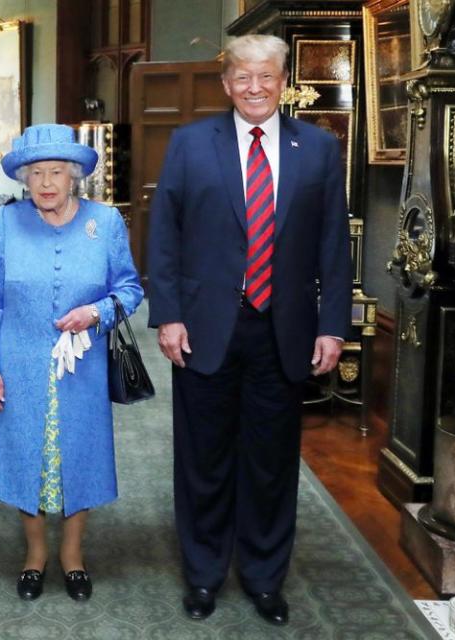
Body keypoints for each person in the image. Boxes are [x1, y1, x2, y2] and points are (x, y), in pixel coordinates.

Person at [147, 34, 352, 625]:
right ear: (226, 83)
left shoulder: (316, 148)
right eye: (242, 77)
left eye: (266, 76)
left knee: (270, 461)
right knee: (203, 459)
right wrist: (168, 316)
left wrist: (333, 326)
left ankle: (265, 577)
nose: (254, 87)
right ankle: (204, 574)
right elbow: (164, 237)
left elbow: (333, 244)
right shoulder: (189, 144)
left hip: (284, 331)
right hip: (205, 328)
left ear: (283, 80)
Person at [0, 124, 143, 601]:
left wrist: (97, 312)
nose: (46, 182)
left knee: (80, 457)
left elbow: (130, 289)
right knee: (27, 453)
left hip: (82, 368)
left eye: (56, 172)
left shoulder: (105, 222)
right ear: (24, 180)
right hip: (21, 362)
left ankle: (72, 554)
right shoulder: (9, 222)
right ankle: (35, 554)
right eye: (36, 174)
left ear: (74, 177)